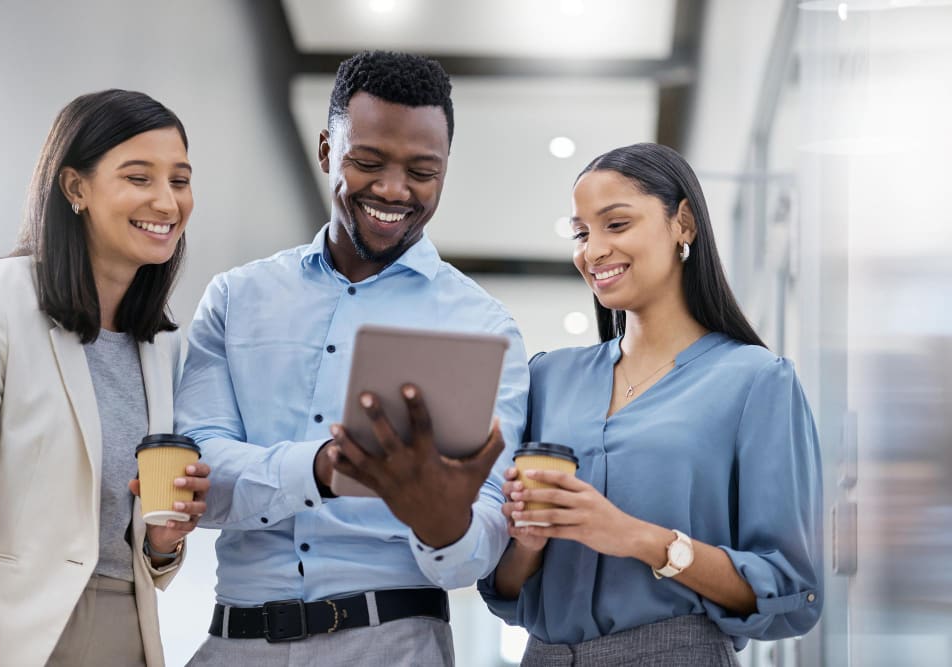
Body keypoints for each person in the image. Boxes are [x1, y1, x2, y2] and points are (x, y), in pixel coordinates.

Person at [175, 50, 528, 666]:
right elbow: (195, 472)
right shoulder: (238, 297)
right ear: (324, 151)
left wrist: (442, 522)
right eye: (367, 162)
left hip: (394, 645)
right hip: (234, 644)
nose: (394, 190)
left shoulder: (484, 327)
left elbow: (483, 540)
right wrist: (319, 468)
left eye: (423, 171)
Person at [479, 143, 823, 666]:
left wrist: (639, 539)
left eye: (616, 225)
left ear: (683, 222)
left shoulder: (755, 382)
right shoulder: (547, 378)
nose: (592, 251)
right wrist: (527, 542)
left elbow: (790, 589)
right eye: (581, 233)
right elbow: (505, 589)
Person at [0, 89, 211, 667]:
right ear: (75, 188)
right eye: (139, 178)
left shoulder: (163, 345)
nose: (167, 202)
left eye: (180, 179)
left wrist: (160, 545)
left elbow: (134, 544)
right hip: (12, 641)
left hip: (128, 634)